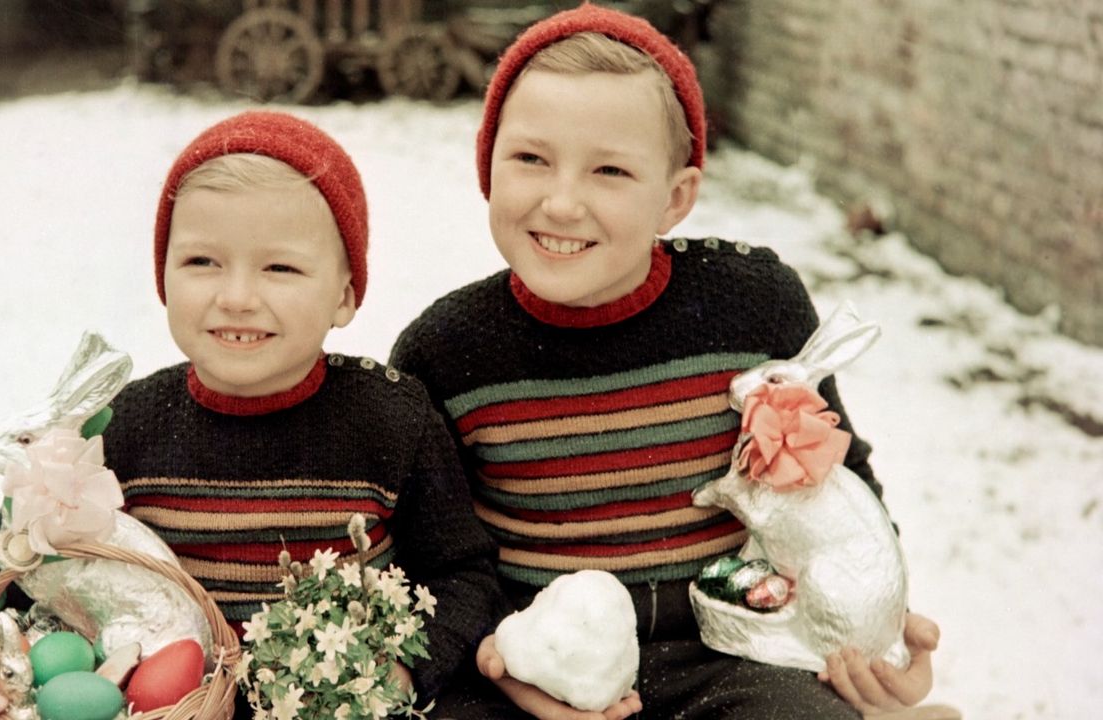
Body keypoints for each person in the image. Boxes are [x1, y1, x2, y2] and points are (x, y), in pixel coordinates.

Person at [390, 4, 940, 719]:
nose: (561, 202)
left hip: (736, 656)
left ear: (675, 198)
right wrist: (494, 658)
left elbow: (838, 485)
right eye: (530, 158)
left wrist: (877, 632)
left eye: (610, 170)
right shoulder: (447, 352)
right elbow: (437, 562)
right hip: (533, 666)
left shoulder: (753, 309)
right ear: (486, 166)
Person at [0, 111, 502, 719]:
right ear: (163, 276)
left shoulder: (390, 419)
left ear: (344, 295)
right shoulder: (125, 426)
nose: (235, 296)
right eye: (202, 262)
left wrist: (401, 670)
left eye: (280, 267)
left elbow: (462, 573)